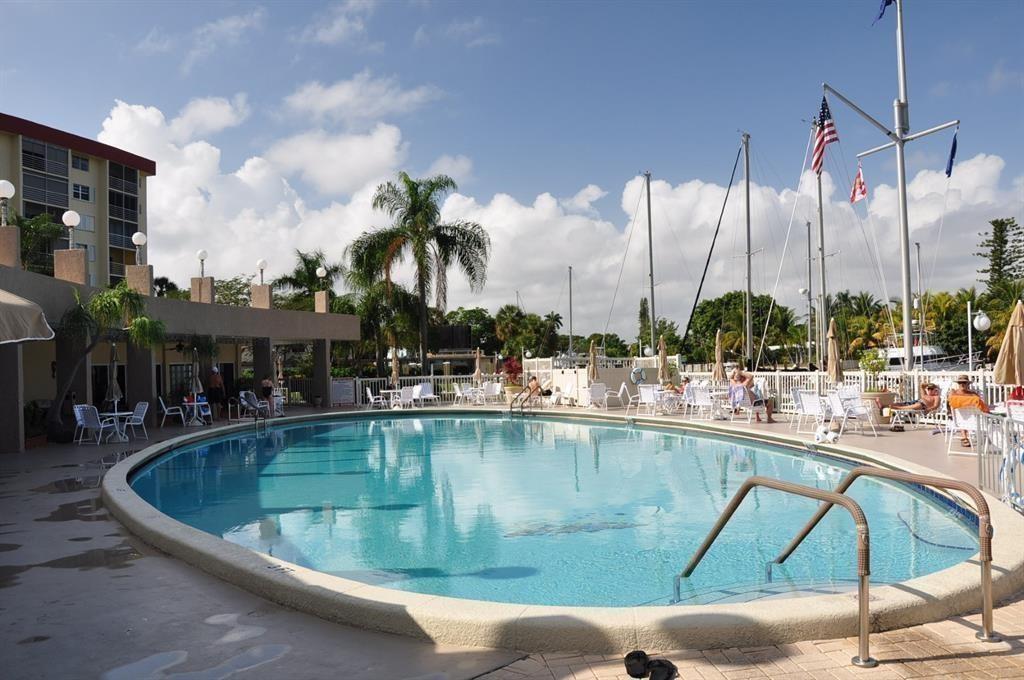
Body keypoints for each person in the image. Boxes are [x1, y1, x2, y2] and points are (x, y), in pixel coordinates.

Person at [948, 375, 989, 447]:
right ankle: (964, 436)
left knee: (964, 417)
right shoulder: (955, 394)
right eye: (960, 383)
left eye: (964, 382)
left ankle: (964, 437)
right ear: (958, 384)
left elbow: (980, 405)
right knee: (962, 417)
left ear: (968, 384)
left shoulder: (972, 394)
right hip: (964, 420)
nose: (962, 384)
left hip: (970, 419)